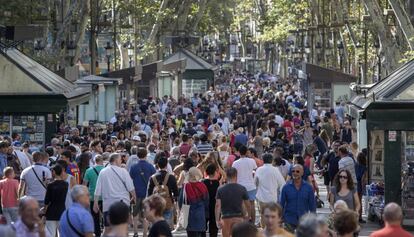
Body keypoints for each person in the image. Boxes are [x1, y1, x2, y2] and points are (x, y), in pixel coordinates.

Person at [94, 153, 136, 235]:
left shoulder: (103, 171)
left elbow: (98, 188)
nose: (121, 161)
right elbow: (131, 187)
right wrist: (134, 197)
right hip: (122, 203)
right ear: (116, 160)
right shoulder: (123, 171)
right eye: (120, 159)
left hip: (108, 204)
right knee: (123, 229)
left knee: (107, 229)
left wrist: (95, 202)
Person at [279, 164, 316, 232]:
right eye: (293, 171)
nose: (295, 173)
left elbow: (312, 206)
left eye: (297, 171)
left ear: (302, 173)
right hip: (289, 220)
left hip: (304, 221)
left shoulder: (308, 188)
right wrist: (280, 219)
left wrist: (313, 221)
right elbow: (281, 205)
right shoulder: (286, 188)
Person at [215, 167, 250, 237]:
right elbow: (248, 205)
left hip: (225, 218)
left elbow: (217, 205)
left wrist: (217, 220)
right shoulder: (242, 188)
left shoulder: (220, 189)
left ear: (226, 176)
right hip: (239, 217)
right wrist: (248, 216)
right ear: (236, 176)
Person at [129, 147, 156, 237]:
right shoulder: (150, 166)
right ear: (146, 155)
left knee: (135, 214)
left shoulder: (133, 167)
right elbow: (154, 178)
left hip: (136, 193)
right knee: (146, 214)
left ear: (137, 155)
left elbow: (130, 179)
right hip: (147, 193)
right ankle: (145, 233)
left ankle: (135, 232)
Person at [254, 153, 285, 226]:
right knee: (272, 216)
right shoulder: (275, 170)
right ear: (272, 160)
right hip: (272, 197)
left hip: (261, 197)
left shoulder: (259, 169)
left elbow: (255, 183)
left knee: (263, 216)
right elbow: (282, 184)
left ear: (263, 160)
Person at [147, 156, 179, 227]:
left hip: (156, 203)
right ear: (166, 165)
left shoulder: (152, 177)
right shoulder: (171, 177)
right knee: (166, 223)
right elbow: (176, 193)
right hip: (167, 202)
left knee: (155, 222)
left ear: (157, 165)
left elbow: (149, 193)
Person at [179, 167, 209, 237]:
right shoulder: (203, 186)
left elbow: (181, 201)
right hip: (201, 215)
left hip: (189, 215)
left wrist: (181, 210)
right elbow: (206, 201)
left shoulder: (185, 186)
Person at [232, 145, 257, 223]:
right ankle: (252, 221)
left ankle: (244, 220)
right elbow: (255, 170)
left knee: (242, 204)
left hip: (240, 186)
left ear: (239, 152)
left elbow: (234, 174)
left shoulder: (235, 163)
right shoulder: (252, 161)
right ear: (246, 152)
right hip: (251, 185)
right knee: (252, 204)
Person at [43, 164, 68, 237]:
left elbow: (47, 201)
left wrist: (44, 212)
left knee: (50, 233)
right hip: (62, 211)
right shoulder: (66, 184)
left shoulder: (50, 185)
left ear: (54, 172)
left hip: (51, 212)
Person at [83, 154, 105, 237]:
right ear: (102, 161)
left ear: (94, 161)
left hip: (92, 197)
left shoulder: (89, 170)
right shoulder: (106, 170)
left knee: (95, 218)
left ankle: (97, 234)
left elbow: (84, 185)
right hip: (104, 196)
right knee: (105, 216)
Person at [202, 163, 220, 237]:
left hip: (204, 207)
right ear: (215, 172)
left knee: (202, 227)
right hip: (214, 207)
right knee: (213, 228)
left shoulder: (202, 182)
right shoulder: (218, 183)